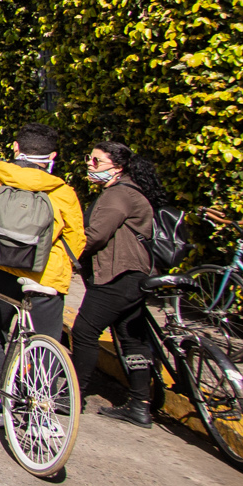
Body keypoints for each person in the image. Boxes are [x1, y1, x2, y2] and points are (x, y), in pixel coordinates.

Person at [0, 123, 86, 428]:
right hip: (43, 276)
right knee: (45, 342)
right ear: (52, 155)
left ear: (15, 147)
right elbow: (77, 239)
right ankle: (41, 413)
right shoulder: (63, 191)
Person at [71, 143, 164, 427]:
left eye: (97, 161)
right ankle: (139, 404)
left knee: (84, 331)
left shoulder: (118, 194)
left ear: (117, 167)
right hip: (134, 274)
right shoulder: (128, 190)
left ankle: (74, 395)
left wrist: (63, 251)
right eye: (90, 158)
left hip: (117, 275)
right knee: (130, 338)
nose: (90, 164)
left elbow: (95, 235)